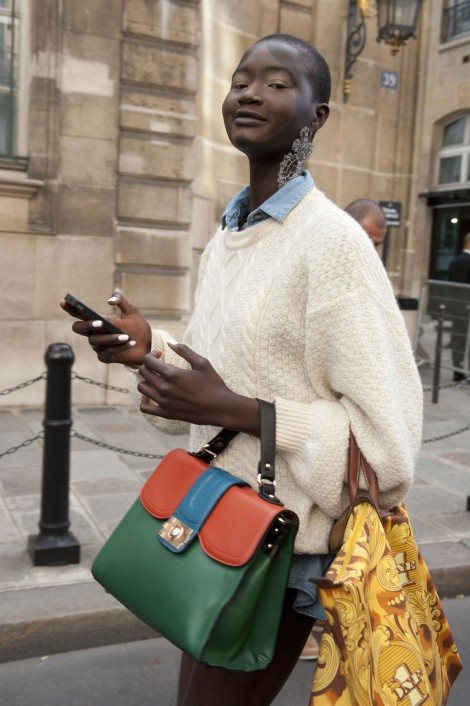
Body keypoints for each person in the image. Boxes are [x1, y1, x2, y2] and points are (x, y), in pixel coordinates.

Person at [61, 33, 423, 706]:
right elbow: (218, 383)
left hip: (277, 552)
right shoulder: (230, 235)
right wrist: (149, 350)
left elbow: (386, 453)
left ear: (317, 115)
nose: (250, 94)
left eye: (278, 83)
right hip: (210, 526)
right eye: (240, 81)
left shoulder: (335, 245)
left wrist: (234, 410)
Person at [449, 232, 470, 381]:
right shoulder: (467, 261)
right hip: (467, 307)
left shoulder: (454, 261)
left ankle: (457, 370)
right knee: (464, 339)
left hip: (456, 306)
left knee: (458, 338)